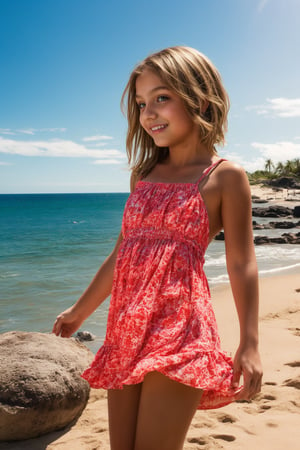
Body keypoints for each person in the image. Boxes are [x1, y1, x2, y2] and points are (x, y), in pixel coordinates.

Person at [52, 46, 262, 450]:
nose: (149, 113)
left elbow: (241, 263)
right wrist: (80, 311)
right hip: (126, 329)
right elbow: (123, 253)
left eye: (162, 98)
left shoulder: (225, 177)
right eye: (141, 103)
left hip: (180, 328)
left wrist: (249, 343)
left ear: (200, 99)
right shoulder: (143, 175)